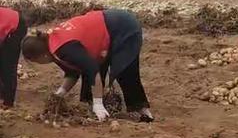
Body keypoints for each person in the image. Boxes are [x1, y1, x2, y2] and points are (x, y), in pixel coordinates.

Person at [22, 8, 153, 122]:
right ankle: (89, 105)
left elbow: (92, 70)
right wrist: (60, 93)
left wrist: (98, 104)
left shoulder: (64, 48)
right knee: (90, 70)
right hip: (102, 34)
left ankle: (142, 110)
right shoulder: (52, 45)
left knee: (124, 70)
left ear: (42, 56)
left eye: (37, 62)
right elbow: (73, 72)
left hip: (122, 26)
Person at [0, 7, 28, 108]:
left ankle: (8, 101)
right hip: (6, 22)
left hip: (16, 26)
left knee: (8, 64)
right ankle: (2, 93)